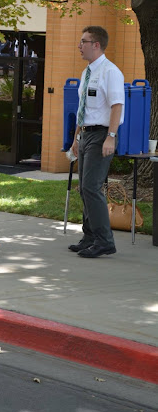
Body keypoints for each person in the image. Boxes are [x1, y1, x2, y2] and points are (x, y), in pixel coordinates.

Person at [69, 26, 124, 258]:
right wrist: (76, 137)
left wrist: (110, 137)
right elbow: (83, 108)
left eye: (83, 41)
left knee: (91, 187)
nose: (79, 46)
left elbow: (117, 105)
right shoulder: (87, 72)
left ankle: (104, 241)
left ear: (96, 45)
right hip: (85, 134)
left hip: (102, 134)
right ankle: (90, 237)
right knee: (84, 188)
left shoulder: (110, 72)